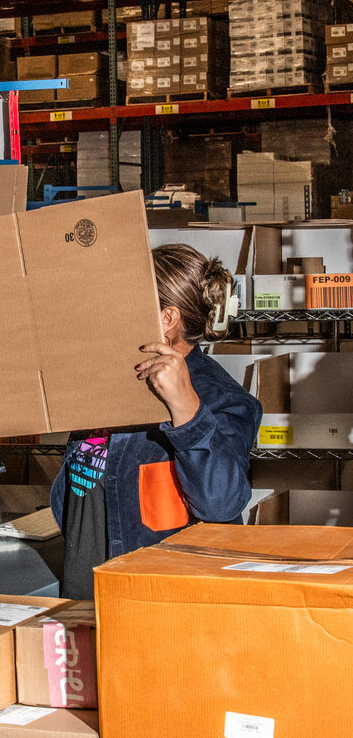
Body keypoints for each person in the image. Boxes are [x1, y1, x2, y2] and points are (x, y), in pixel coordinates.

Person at [50, 243, 263, 599]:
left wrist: (186, 411)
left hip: (166, 605)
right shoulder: (114, 386)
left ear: (166, 319)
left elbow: (223, 503)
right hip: (90, 593)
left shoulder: (223, 399)